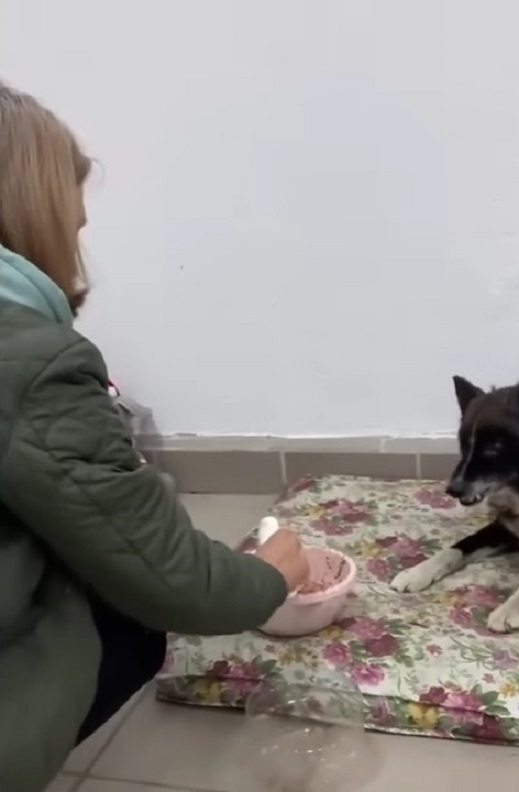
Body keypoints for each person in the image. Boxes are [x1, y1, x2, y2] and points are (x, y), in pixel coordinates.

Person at [0, 82, 310, 792]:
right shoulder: (32, 361)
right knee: (131, 617)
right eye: (73, 227)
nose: (77, 251)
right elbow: (170, 577)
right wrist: (273, 576)